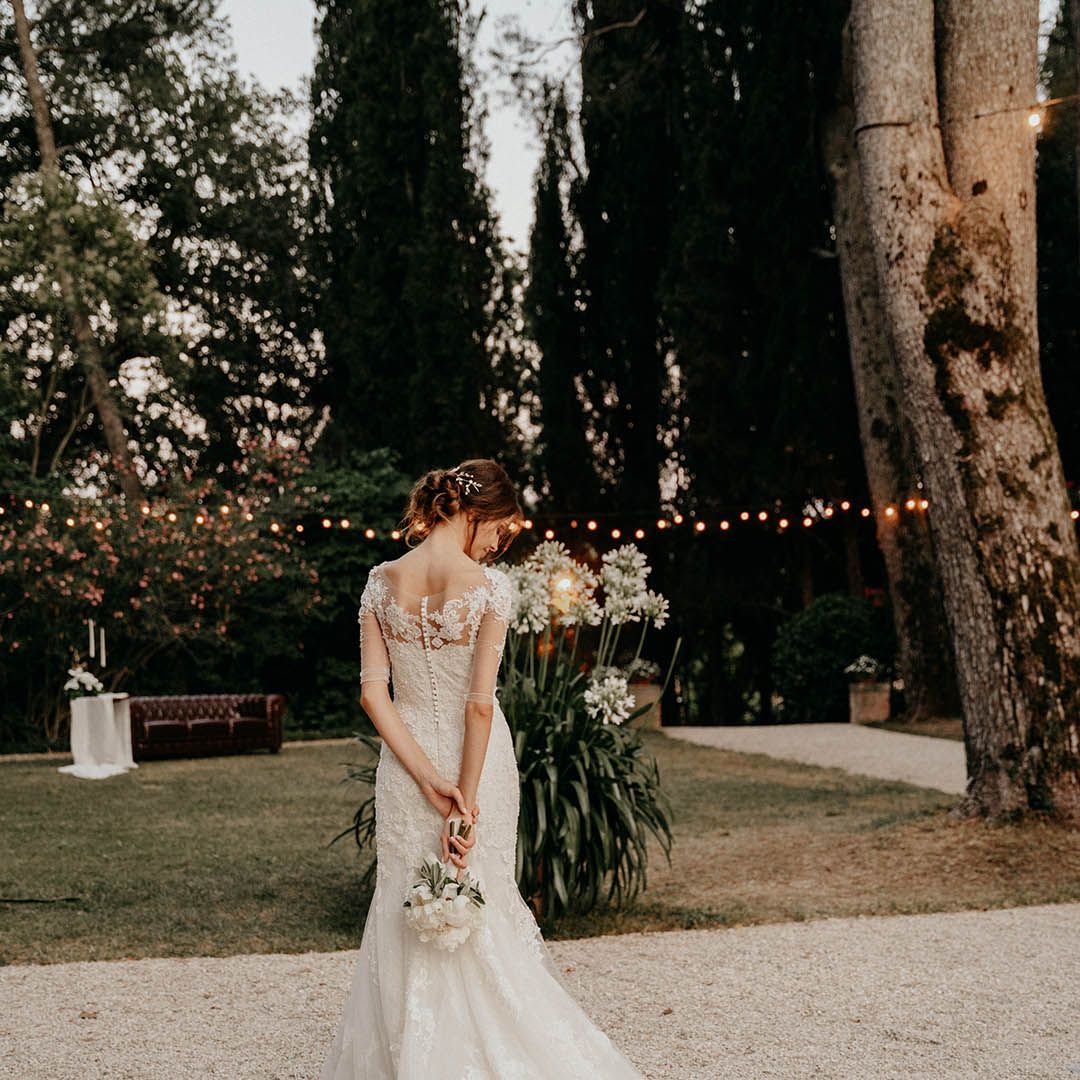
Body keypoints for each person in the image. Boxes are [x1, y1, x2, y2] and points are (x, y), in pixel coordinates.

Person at [320, 458, 643, 1079]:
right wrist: (464, 801)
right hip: (478, 764)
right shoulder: (490, 588)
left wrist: (425, 779)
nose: (497, 545)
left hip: (406, 765)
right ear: (476, 512)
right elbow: (477, 705)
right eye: (498, 530)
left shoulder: (380, 582)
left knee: (404, 899)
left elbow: (373, 695)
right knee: (480, 893)